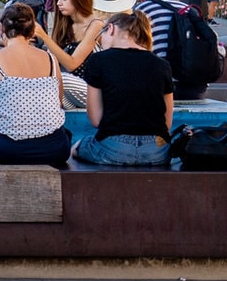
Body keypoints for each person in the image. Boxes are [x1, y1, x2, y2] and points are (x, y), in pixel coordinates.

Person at [0, 3, 71, 166]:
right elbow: (59, 103)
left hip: (7, 150)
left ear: (1, 28)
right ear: (33, 30)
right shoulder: (51, 59)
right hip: (54, 150)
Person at [73, 11, 174, 166]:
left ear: (111, 29)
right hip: (157, 150)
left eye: (101, 34)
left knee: (76, 147)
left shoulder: (98, 61)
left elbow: (95, 120)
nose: (101, 40)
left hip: (113, 147)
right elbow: (167, 124)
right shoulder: (162, 65)